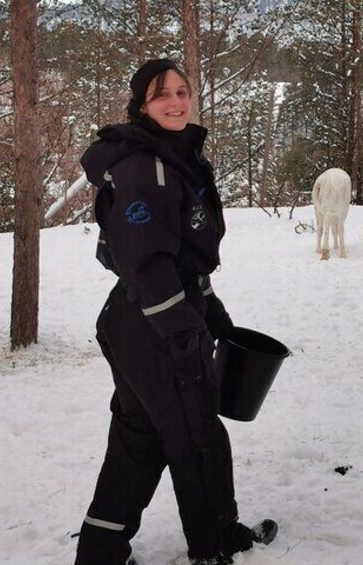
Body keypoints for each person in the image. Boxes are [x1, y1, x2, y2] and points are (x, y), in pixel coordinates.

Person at [75, 58, 277, 565]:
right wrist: (182, 330)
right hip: (153, 322)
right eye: (161, 94)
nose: (176, 102)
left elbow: (182, 255)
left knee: (139, 437)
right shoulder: (147, 167)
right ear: (141, 105)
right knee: (196, 435)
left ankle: (101, 550)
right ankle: (214, 546)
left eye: (182, 91)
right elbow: (148, 263)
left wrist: (209, 308)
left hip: (136, 317)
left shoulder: (174, 156)